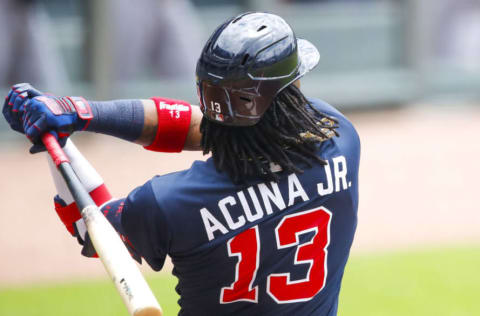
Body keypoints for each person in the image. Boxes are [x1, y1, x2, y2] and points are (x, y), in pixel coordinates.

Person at [3, 12, 360, 316]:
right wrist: (81, 113)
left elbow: (90, 225)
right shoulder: (339, 139)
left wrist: (57, 141)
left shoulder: (168, 203)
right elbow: (211, 128)